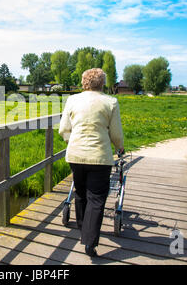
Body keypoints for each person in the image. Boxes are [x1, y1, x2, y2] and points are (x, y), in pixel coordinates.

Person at [59, 68, 124, 257]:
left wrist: (73, 141)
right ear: (102, 83)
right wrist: (119, 147)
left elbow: (64, 128)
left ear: (83, 82)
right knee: (96, 198)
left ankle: (83, 229)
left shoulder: (72, 100)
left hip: (75, 156)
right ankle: (89, 242)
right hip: (100, 157)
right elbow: (116, 133)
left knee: (80, 193)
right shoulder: (111, 102)